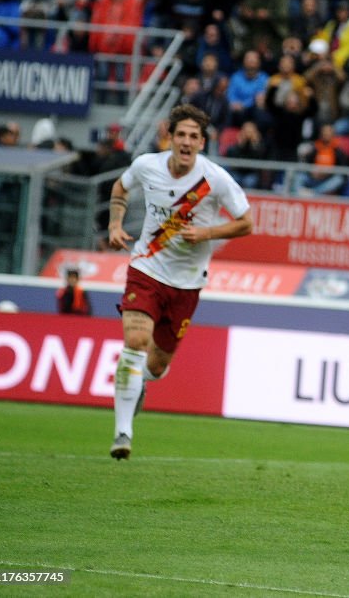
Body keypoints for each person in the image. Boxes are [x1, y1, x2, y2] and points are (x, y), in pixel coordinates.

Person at [106, 104, 253, 460]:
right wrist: (114, 223)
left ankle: (140, 383)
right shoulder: (146, 165)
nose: (186, 142)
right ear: (169, 137)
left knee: (156, 365)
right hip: (146, 268)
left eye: (194, 137)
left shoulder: (215, 179)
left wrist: (207, 232)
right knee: (135, 340)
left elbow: (246, 223)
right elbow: (120, 188)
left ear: (202, 143)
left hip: (187, 283)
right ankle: (122, 433)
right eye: (181, 135)